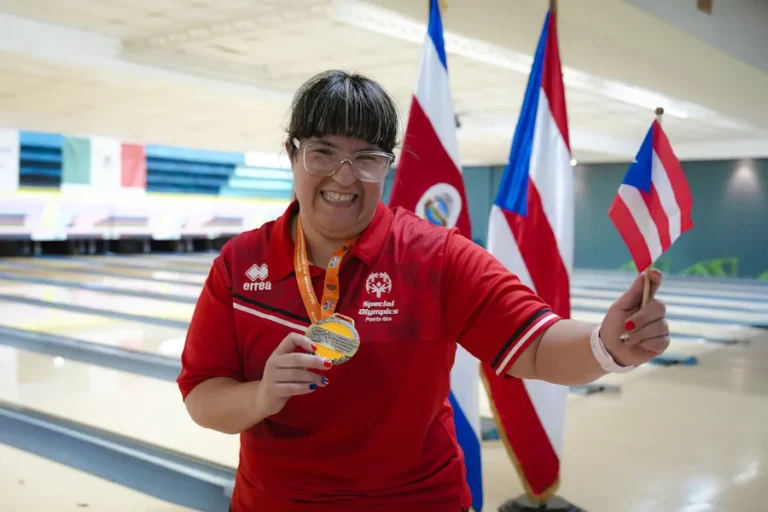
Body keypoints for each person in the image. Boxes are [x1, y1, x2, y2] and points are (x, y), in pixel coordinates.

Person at [177, 70, 670, 512]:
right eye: (322, 152)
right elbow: (203, 396)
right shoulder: (240, 264)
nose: (343, 177)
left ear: (387, 165)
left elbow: (536, 346)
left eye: (366, 158)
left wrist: (608, 346)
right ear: (292, 153)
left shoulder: (435, 256)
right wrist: (262, 395)